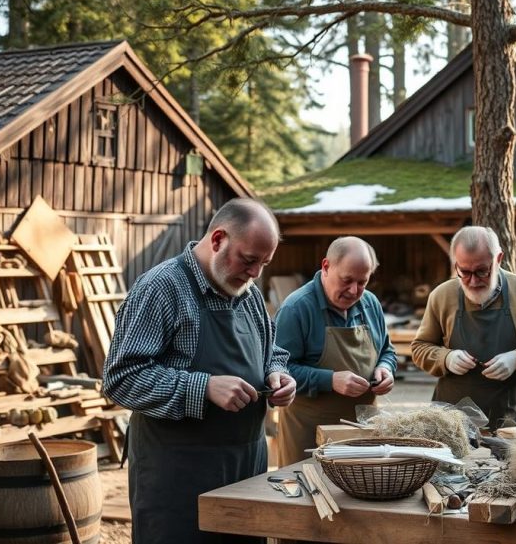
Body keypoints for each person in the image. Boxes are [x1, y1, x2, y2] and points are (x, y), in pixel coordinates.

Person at [103, 198, 296, 544]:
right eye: (249, 260)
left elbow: (273, 351)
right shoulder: (161, 288)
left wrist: (277, 374)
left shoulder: (247, 293)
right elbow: (121, 378)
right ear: (218, 239)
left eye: (264, 264)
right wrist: (203, 387)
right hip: (177, 477)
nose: (255, 274)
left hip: (245, 470)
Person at [411, 226, 516, 430]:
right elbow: (420, 347)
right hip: (454, 419)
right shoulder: (442, 296)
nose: (473, 281)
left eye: (482, 271)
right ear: (455, 263)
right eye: (464, 272)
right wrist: (445, 358)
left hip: (511, 416)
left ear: (498, 259)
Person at [274, 236, 396, 465]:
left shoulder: (371, 304)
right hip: (309, 433)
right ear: (326, 267)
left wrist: (385, 368)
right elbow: (278, 371)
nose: (353, 290)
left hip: (363, 431)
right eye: (347, 280)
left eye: (362, 282)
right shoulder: (296, 308)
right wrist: (329, 380)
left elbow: (387, 351)